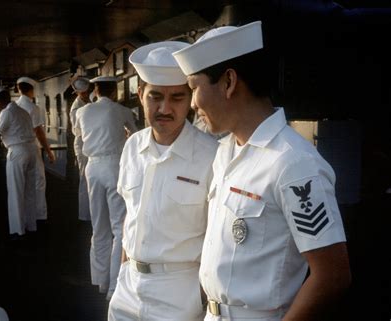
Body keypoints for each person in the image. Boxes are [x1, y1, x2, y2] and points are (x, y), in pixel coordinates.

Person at [172, 21, 351, 321]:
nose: (192, 103)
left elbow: (332, 275)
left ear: (229, 81)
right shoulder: (226, 151)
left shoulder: (293, 163)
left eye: (193, 88)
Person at [108, 41, 218, 320]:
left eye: (177, 98)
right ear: (140, 93)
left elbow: (218, 237)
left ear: (190, 99)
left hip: (179, 293)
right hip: (127, 288)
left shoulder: (211, 156)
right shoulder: (132, 146)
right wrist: (123, 271)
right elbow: (130, 216)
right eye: (155, 97)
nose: (164, 108)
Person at [73, 75, 138, 299]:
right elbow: (136, 135)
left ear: (95, 91)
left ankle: (99, 280)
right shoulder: (121, 111)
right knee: (119, 228)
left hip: (92, 167)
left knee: (98, 226)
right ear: (114, 91)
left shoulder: (82, 111)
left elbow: (79, 134)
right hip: (113, 165)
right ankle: (114, 286)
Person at [0, 86, 38, 237]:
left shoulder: (7, 112)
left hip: (17, 154)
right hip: (31, 151)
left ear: (1, 102)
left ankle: (18, 230)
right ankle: (31, 226)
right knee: (29, 192)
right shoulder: (23, 112)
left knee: (15, 192)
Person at [16, 76, 55, 227]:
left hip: (19, 150)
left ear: (19, 89)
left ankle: (24, 218)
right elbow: (38, 131)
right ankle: (39, 216)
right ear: (31, 90)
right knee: (38, 182)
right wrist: (49, 151)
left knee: (22, 183)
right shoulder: (33, 108)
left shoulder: (14, 107)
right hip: (32, 148)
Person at [69, 77, 91, 221]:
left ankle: (92, 212)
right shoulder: (76, 108)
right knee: (84, 178)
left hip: (91, 142)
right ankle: (84, 215)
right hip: (82, 143)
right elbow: (78, 130)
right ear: (77, 93)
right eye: (82, 93)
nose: (85, 94)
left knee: (91, 177)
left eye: (86, 92)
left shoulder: (89, 103)